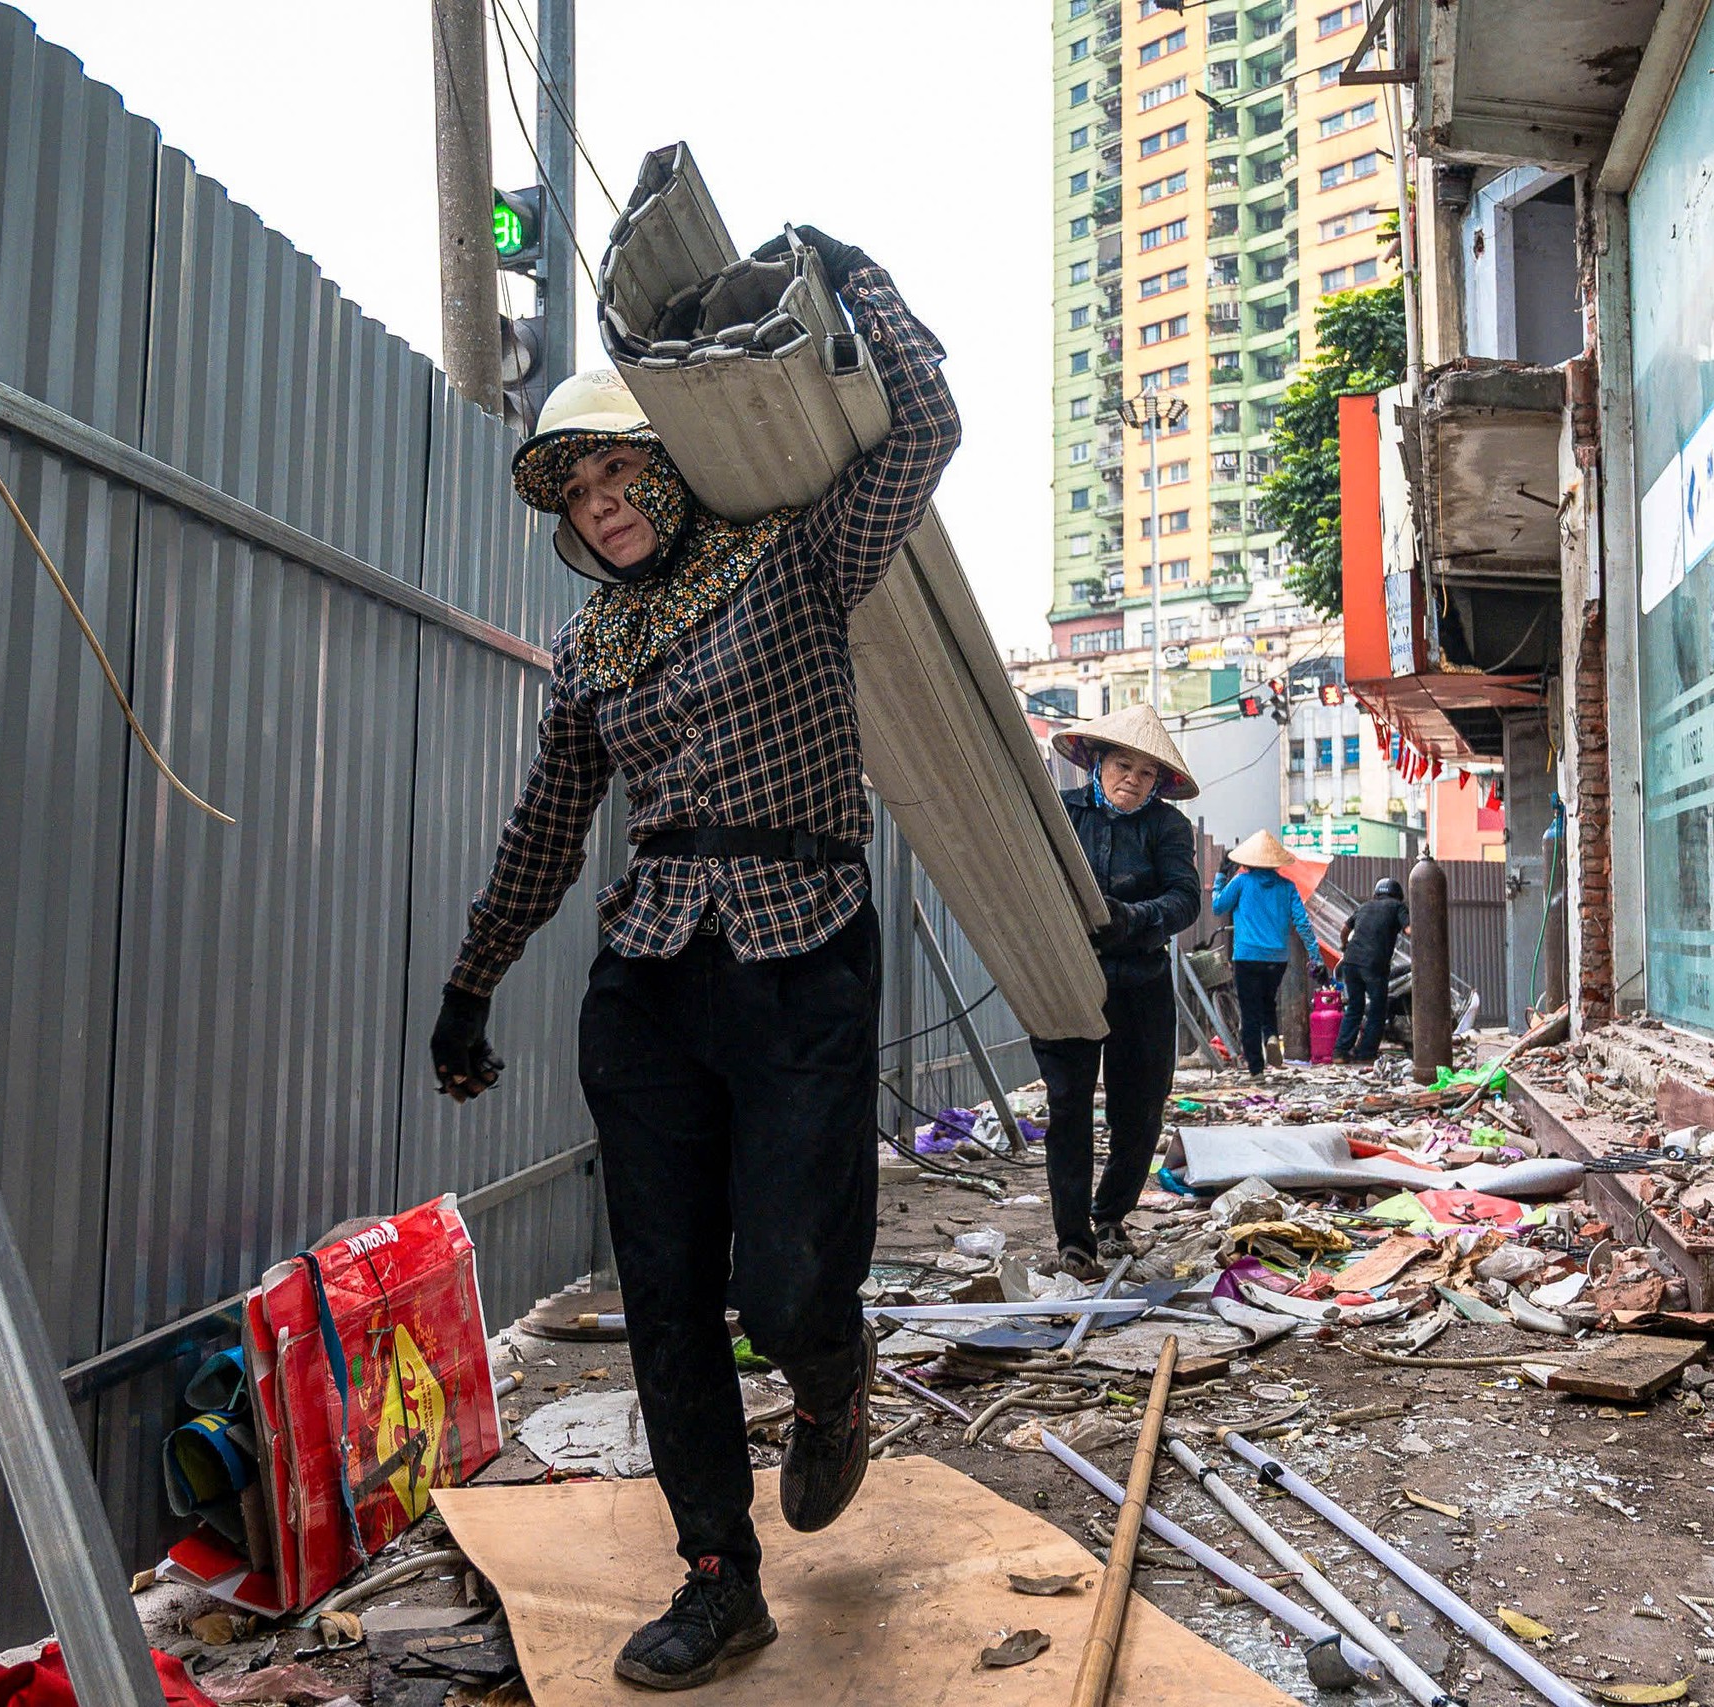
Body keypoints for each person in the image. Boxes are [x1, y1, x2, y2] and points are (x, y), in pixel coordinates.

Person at [425, 226, 958, 1692]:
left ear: (662, 469)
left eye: (616, 476)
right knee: (664, 1287)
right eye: (577, 493)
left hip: (800, 956)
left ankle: (831, 1374)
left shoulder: (794, 560)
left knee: (783, 1286)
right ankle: (720, 1571)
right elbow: (547, 829)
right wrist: (473, 979)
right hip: (651, 978)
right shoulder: (590, 652)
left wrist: (866, 285)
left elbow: (924, 429)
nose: (600, 507)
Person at [1032, 705, 1202, 1281]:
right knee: (1068, 1107)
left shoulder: (1167, 828)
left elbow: (1184, 900)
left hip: (1140, 982)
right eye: (1123, 765)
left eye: (1146, 772)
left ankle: (1109, 1216)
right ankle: (1073, 1238)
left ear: (1158, 784)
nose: (1132, 778)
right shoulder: (1060, 813)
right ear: (1097, 763)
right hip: (1067, 979)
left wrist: (1131, 918)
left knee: (1140, 1111)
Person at [1211, 830, 1320, 1074]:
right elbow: (1302, 922)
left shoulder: (1240, 882)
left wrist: (1220, 876)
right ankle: (1270, 1035)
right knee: (1267, 1001)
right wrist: (1316, 955)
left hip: (1247, 956)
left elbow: (1218, 906)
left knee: (1250, 1011)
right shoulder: (1287, 887)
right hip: (1277, 958)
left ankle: (1256, 1069)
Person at [1335, 875, 1407, 1062]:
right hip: (1374, 964)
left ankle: (1340, 1052)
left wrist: (1344, 947)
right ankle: (1365, 1054)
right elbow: (1409, 930)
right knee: (1377, 1009)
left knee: (1354, 1007)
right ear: (1398, 895)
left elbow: (1344, 929)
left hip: (1350, 962)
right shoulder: (1397, 907)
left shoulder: (1364, 906)